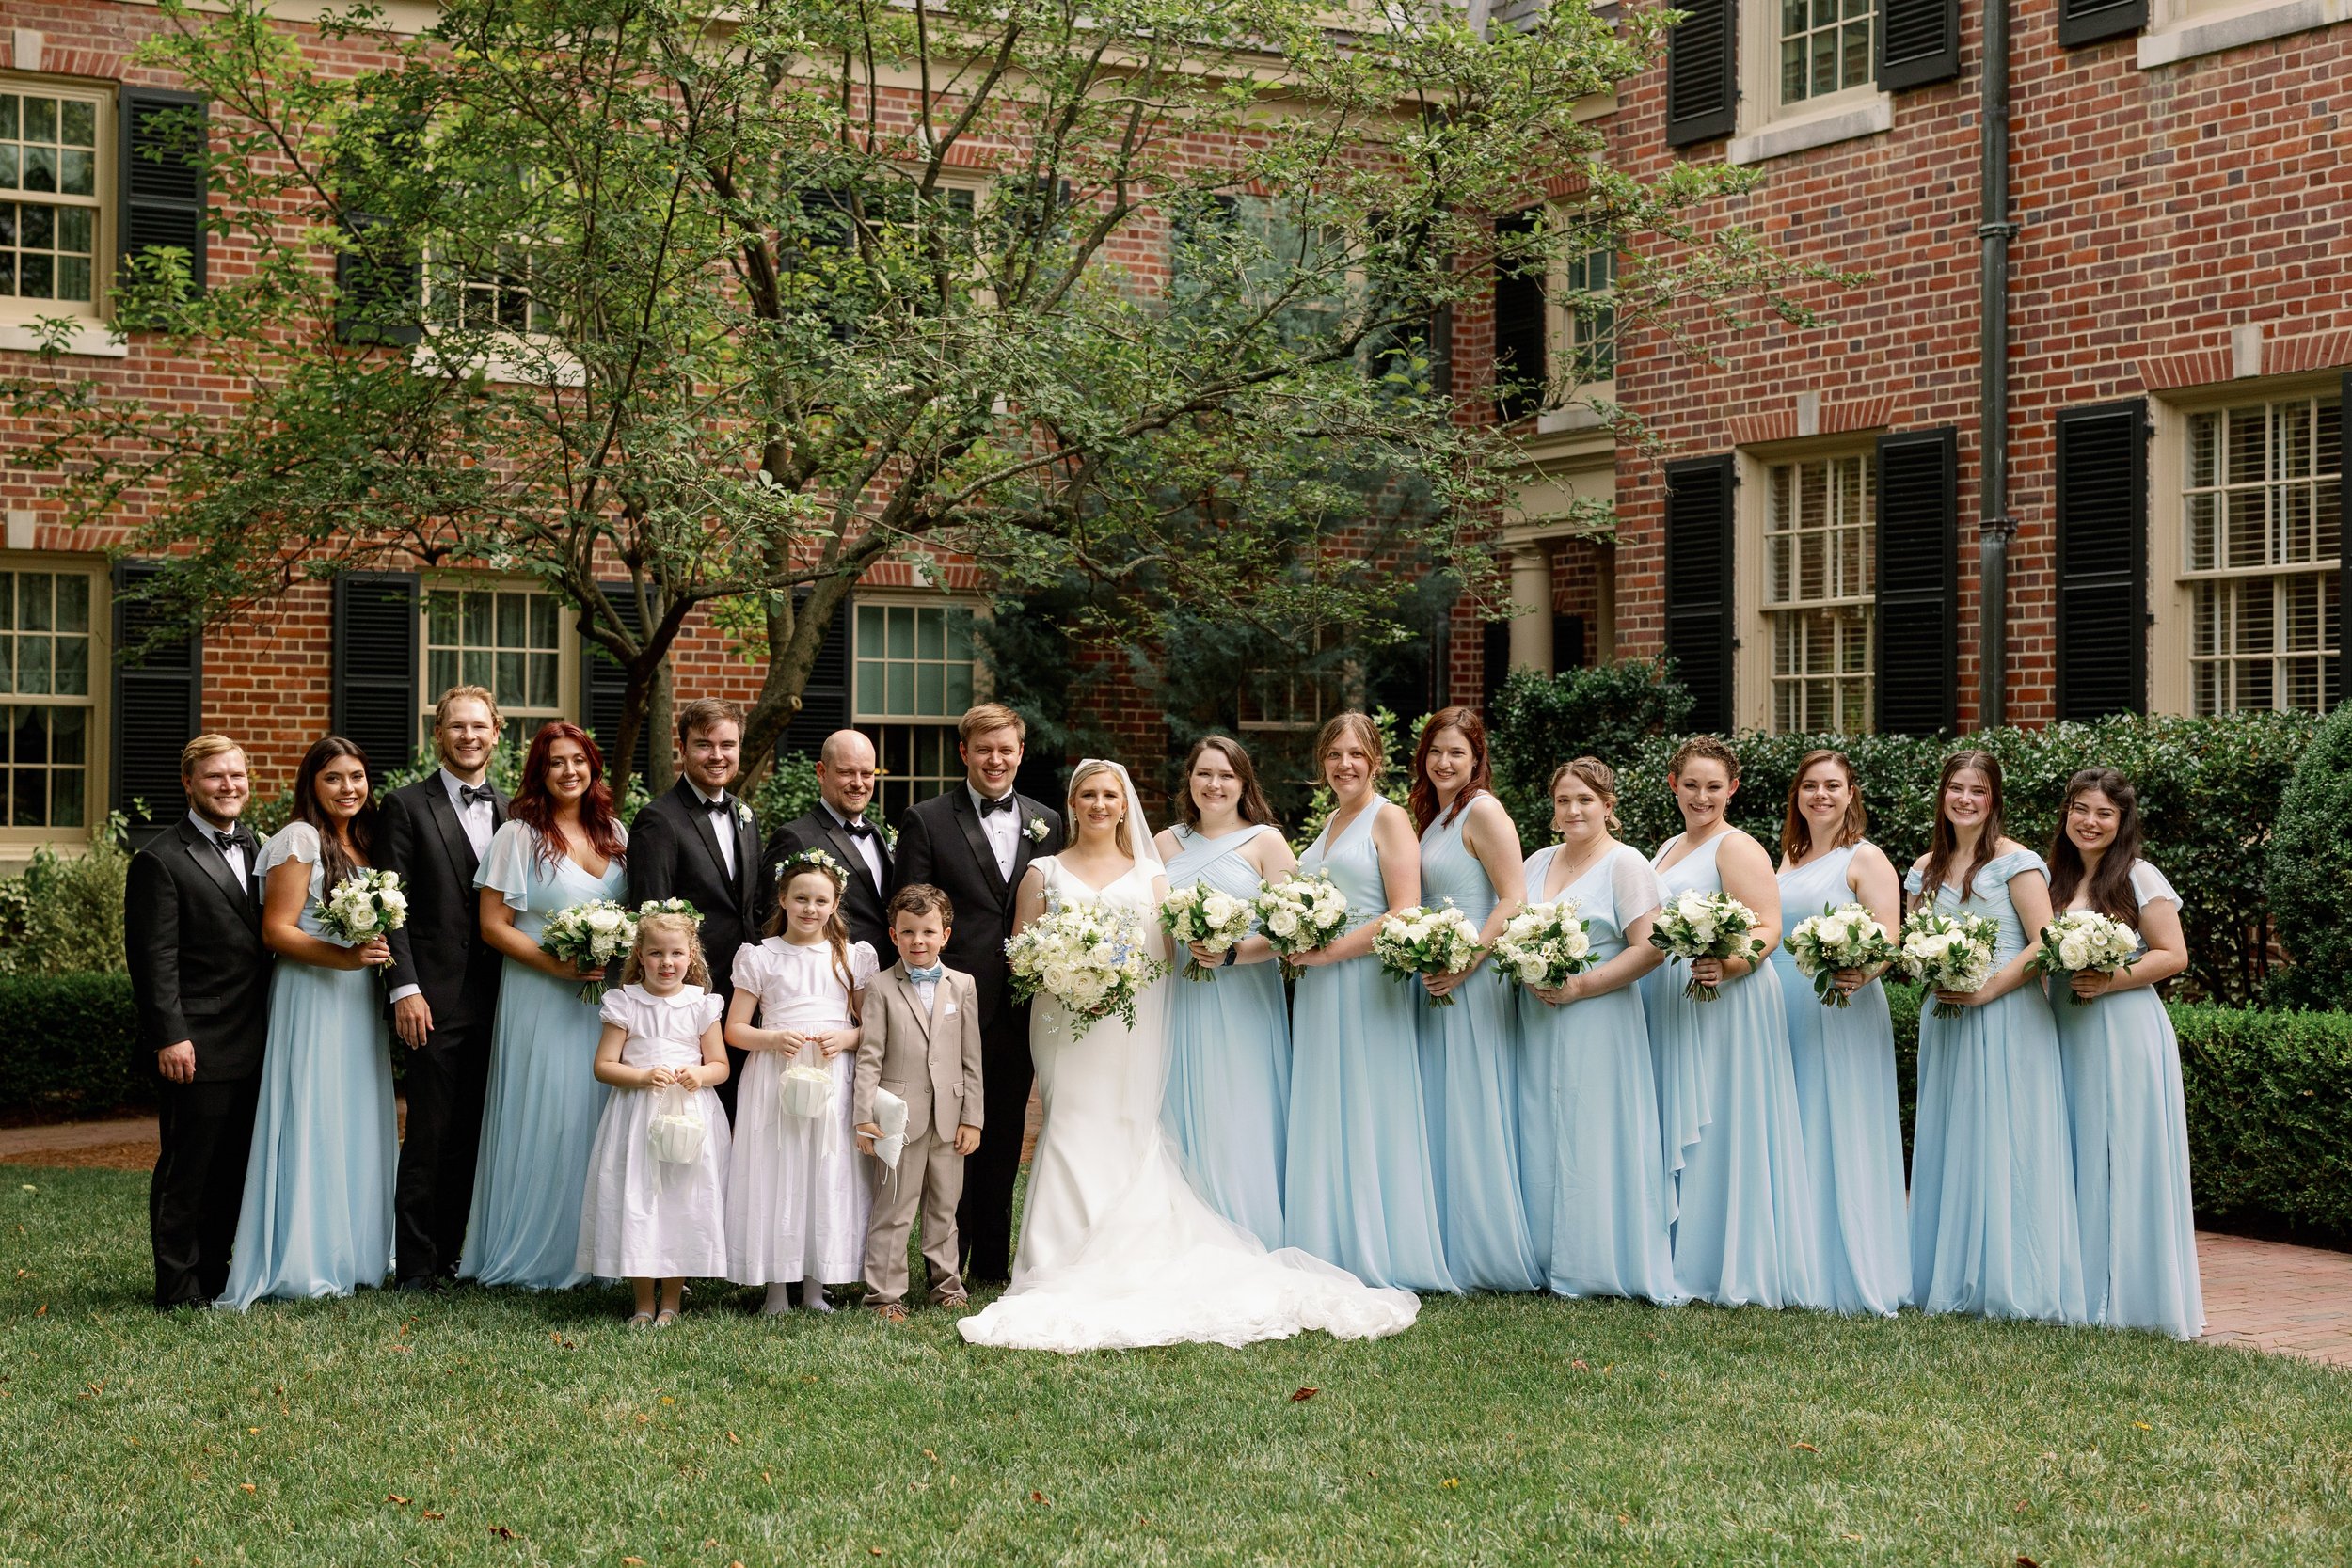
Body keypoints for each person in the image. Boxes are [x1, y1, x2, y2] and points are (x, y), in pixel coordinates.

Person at [958, 759, 1418, 1353]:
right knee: (1068, 1123)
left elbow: (1166, 959)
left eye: (1110, 795)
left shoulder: (1153, 875)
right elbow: (1019, 955)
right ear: (1071, 804)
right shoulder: (1041, 874)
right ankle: (1054, 1258)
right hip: (1064, 1024)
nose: (1100, 804)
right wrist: (1066, 973)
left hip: (1127, 1027)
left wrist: (1116, 978)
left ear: (1126, 805)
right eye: (1088, 795)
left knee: (1128, 1124)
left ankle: (1120, 1251)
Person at [1905, 748, 2085, 1324]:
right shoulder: (1924, 867)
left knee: (2010, 1139)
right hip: (1946, 1016)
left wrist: (1985, 989)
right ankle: (1951, 1275)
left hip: (2007, 1014)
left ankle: (2015, 1282)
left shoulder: (2019, 863)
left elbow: (2045, 942)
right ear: (1942, 794)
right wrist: (1931, 969)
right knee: (1953, 1135)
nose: (1965, 799)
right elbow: (1913, 941)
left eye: (1978, 791)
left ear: (1994, 800)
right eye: (1956, 788)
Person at [219, 737, 399, 1308]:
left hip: (355, 998)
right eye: (333, 779)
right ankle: (304, 1257)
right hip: (312, 992)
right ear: (311, 786)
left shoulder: (365, 840)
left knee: (353, 1114)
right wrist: (346, 957)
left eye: (357, 776)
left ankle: (358, 1251)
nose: (349, 788)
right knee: (313, 1112)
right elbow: (278, 931)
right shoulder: (298, 839)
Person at [1645, 736, 1820, 1309]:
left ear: (1732, 789)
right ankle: (1677, 1249)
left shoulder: (1736, 846)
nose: (1702, 797)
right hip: (1679, 995)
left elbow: (1770, 928)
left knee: (1721, 1118)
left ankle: (1724, 1261)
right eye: (1691, 785)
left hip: (1729, 999)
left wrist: (1728, 963)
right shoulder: (1669, 845)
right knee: (1686, 1112)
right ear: (1673, 785)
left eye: (1714, 787)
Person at [892, 703, 1064, 1284]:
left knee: (1006, 1132)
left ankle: (993, 1264)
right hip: (946, 1005)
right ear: (963, 753)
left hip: (1020, 1003)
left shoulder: (1048, 821)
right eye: (984, 749)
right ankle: (945, 1266)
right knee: (949, 1134)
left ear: (1020, 753)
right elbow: (910, 907)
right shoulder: (926, 819)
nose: (996, 759)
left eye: (1007, 749)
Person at [1283, 714, 1455, 1294]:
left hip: (1364, 979)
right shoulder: (1331, 821)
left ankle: (1378, 1245)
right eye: (1334, 755)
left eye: (1356, 754)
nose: (1345, 765)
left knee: (1366, 1099)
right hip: (1318, 984)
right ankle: (1324, 1240)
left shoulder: (1389, 817)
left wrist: (1329, 953)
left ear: (1375, 759)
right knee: (1326, 1099)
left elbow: (1404, 909)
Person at [461, 722, 630, 1291]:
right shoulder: (518, 836)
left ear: (593, 768)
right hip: (541, 996)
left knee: (601, 1116)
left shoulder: (616, 834)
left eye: (578, 760)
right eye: (556, 762)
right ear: (539, 771)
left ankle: (600, 1253)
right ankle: (538, 1253)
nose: (569, 772)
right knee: (550, 1117)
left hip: (602, 1003)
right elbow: (492, 926)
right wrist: (556, 965)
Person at [1515, 758, 1680, 1305]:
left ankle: (1598, 1260)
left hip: (1600, 1014)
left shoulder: (1625, 864)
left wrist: (1582, 987)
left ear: (1608, 807)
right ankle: (1543, 1255)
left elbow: (1652, 947)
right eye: (1564, 800)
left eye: (1585, 799)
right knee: (1540, 1123)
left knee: (1594, 1128)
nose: (1573, 810)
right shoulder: (1536, 861)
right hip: (1538, 1015)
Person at [2046, 768, 2203, 1340]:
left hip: (2123, 1027)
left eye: (2103, 814)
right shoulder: (2051, 880)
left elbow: (2173, 954)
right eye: (2080, 810)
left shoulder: (2139, 876)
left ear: (2121, 822)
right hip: (2064, 1026)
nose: (2090, 822)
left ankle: (2132, 1295)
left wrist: (2111, 978)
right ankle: (2075, 1285)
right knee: (2075, 1147)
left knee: (2122, 1151)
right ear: (2066, 814)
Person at [129, 736, 272, 1310]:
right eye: (216, 777)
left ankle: (215, 1274)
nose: (229, 785)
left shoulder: (261, 846)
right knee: (188, 1168)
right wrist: (170, 1035)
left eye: (237, 775)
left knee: (234, 1166)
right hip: (197, 1041)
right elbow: (152, 960)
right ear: (189, 783)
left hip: (258, 1035)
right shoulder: (160, 858)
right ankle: (177, 1285)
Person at [1769, 751, 1912, 1318]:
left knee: (1837, 1121)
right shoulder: (1788, 854)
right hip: (1783, 1005)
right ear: (1797, 795)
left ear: (1852, 793)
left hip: (1839, 1004)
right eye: (1810, 786)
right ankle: (1794, 1258)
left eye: (1832, 786)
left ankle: (1844, 1269)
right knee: (1795, 1123)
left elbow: (1889, 938)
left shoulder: (1865, 857)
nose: (1820, 796)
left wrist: (1857, 970)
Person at [377, 685, 509, 1291]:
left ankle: (456, 1255)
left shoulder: (514, 810)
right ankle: (416, 1264)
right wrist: (404, 987)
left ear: (497, 734)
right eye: (457, 727)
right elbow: (391, 904)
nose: (469, 737)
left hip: (505, 998)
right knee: (430, 1131)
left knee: (475, 1134)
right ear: (438, 735)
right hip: (432, 996)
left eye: (479, 727)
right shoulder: (404, 806)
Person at [1410, 707, 1540, 1292]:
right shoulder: (1436, 816)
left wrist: (1467, 962)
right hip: (1434, 968)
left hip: (1473, 973)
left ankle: (1485, 1251)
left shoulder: (1483, 810)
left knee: (1470, 1098)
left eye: (1457, 753)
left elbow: (1513, 899)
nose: (1444, 762)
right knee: (1441, 1100)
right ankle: (1444, 1239)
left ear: (1476, 759)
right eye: (1436, 751)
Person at [1153, 736, 1295, 1246]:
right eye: (1204, 774)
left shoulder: (1266, 842)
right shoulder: (1164, 843)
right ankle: (1183, 1232)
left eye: (1226, 776)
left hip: (1245, 998)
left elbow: (1292, 928)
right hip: (1182, 998)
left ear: (1243, 783)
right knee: (1180, 1099)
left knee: (1240, 1105)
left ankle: (1250, 1227)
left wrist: (1235, 952)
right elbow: (1152, 926)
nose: (1214, 785)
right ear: (1189, 780)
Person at [724, 849, 879, 1314]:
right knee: (777, 1168)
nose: (810, 909)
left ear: (835, 905)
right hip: (776, 1075)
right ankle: (775, 1289)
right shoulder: (760, 957)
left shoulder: (851, 956)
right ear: (783, 900)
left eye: (820, 900)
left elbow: (872, 1025)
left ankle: (816, 1286)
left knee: (824, 1170)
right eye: (800, 899)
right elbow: (734, 1029)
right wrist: (773, 1039)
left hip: (832, 1073)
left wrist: (847, 1037)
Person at [578, 910, 731, 1327]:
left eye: (676, 953)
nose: (667, 963)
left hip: (688, 1115)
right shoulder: (625, 1002)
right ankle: (643, 1301)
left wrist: (699, 1074)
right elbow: (604, 1065)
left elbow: (720, 1065)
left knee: (680, 1200)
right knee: (641, 1200)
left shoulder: (701, 1004)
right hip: (638, 1116)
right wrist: (643, 1076)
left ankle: (672, 1302)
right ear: (640, 956)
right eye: (657, 954)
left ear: (691, 956)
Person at [628, 697, 765, 1120]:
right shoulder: (659, 819)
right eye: (705, 745)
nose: (718, 756)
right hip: (691, 995)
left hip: (745, 994)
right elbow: (649, 918)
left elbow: (752, 908)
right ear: (683, 748)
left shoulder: (745, 815)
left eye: (728, 744)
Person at [853, 883, 983, 1322]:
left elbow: (971, 1058)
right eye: (908, 932)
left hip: (951, 1116)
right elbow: (869, 1058)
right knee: (894, 1207)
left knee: (946, 1206)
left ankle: (947, 1285)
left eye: (928, 932)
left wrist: (973, 1118)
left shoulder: (962, 985)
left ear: (946, 934)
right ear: (893, 935)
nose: (918, 941)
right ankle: (884, 1295)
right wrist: (864, 1118)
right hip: (899, 1118)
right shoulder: (880, 986)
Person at [768, 729, 893, 951]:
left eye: (866, 773)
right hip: (831, 974)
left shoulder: (880, 835)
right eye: (846, 772)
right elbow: (771, 921)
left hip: (887, 975)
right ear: (821, 772)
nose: (858, 783)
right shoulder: (795, 838)